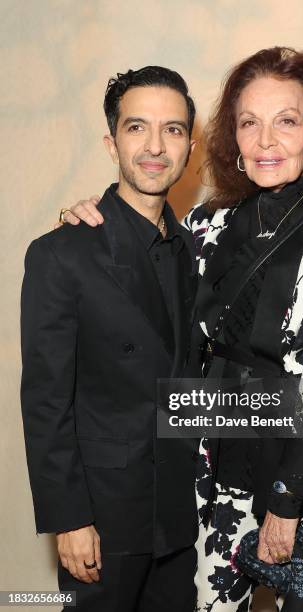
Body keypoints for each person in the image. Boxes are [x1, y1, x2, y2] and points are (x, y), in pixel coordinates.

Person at [63, 47, 303, 611]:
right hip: (212, 478)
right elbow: (148, 275)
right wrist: (91, 222)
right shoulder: (207, 226)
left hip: (301, 481)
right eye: (248, 123)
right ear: (231, 138)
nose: (266, 142)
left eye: (286, 121)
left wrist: (285, 502)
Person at [20, 66, 199, 612]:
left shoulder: (200, 251)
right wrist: (69, 517)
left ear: (190, 145)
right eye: (136, 127)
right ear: (111, 141)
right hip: (102, 521)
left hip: (181, 514)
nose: (154, 146)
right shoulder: (61, 254)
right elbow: (46, 400)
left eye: (172, 130)